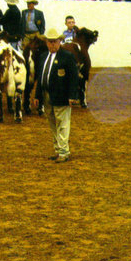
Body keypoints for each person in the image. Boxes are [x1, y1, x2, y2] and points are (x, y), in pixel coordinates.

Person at [34, 27, 79, 162]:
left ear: (60, 41)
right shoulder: (42, 57)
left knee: (63, 123)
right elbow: (40, 77)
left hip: (62, 95)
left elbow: (74, 78)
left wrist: (72, 96)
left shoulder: (67, 56)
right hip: (47, 94)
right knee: (53, 123)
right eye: (50, 41)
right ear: (46, 42)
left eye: (55, 41)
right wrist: (37, 95)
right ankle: (58, 150)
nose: (52, 44)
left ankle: (64, 152)